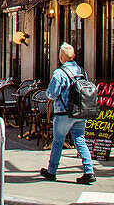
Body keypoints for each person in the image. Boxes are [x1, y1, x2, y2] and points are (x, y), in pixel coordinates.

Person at [40, 43, 96, 185]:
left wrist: (48, 95)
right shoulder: (82, 71)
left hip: (63, 113)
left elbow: (52, 94)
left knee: (58, 141)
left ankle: (52, 171)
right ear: (74, 56)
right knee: (80, 139)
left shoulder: (59, 73)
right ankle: (89, 171)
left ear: (61, 57)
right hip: (80, 111)